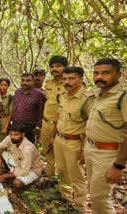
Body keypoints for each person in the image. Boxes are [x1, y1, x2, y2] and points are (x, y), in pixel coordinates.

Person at [83, 58, 127, 214]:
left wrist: (119, 165)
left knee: (100, 197)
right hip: (91, 148)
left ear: (118, 74)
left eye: (105, 73)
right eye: (96, 73)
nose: (99, 77)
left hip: (108, 154)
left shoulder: (123, 97)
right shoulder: (99, 94)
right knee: (94, 192)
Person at [49, 66, 87, 212]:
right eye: (64, 78)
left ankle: (79, 206)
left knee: (76, 175)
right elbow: (59, 118)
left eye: (71, 78)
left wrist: (84, 149)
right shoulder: (64, 97)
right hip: (60, 138)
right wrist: (53, 136)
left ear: (81, 78)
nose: (67, 82)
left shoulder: (87, 100)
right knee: (62, 169)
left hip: (75, 142)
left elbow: (90, 126)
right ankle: (64, 195)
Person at [40, 55, 68, 177]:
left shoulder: (69, 84)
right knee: (48, 152)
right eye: (52, 67)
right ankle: (50, 178)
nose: (54, 69)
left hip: (62, 125)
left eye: (58, 66)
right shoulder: (48, 84)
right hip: (46, 123)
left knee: (62, 156)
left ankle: (64, 186)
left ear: (65, 67)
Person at [0, 123, 44, 188]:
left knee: (17, 183)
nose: (13, 137)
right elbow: (0, 146)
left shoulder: (28, 149)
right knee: (1, 153)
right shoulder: (10, 138)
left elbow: (24, 171)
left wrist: (4, 176)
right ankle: (9, 173)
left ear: (23, 135)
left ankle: (34, 181)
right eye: (11, 134)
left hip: (32, 169)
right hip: (19, 162)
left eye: (16, 135)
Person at [9, 73, 45, 144]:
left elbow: (42, 112)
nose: (25, 83)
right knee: (15, 147)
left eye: (28, 81)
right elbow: (13, 107)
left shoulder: (39, 94)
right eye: (23, 80)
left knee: (28, 149)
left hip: (29, 128)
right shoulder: (18, 92)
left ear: (33, 81)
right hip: (15, 126)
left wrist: (38, 127)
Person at [0, 77, 13, 144]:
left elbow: (10, 113)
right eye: (1, 85)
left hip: (4, 119)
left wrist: (5, 127)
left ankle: (2, 154)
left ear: (8, 86)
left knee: (3, 142)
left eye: (5, 85)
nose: (3, 87)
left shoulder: (10, 97)